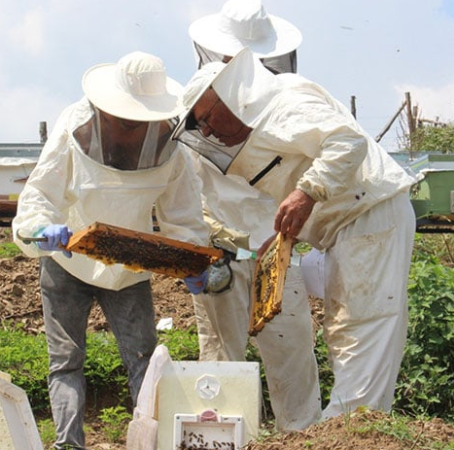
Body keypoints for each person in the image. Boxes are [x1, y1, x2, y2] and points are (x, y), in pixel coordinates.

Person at [175, 47, 417, 423]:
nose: (206, 131)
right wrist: (285, 238)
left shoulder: (284, 102)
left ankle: (351, 433)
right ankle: (347, 431)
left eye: (205, 118)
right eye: (198, 126)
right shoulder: (265, 117)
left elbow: (347, 142)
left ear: (227, 95)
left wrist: (306, 192)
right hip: (347, 228)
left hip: (370, 218)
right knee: (344, 332)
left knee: (363, 330)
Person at [11, 51, 210, 450]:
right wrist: (39, 229)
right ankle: (68, 444)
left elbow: (183, 215)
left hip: (129, 267)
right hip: (68, 262)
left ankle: (151, 443)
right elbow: (39, 195)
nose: (136, 130)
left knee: (143, 360)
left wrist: (193, 258)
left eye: (144, 123)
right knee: (65, 361)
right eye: (127, 121)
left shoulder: (172, 147)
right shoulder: (73, 126)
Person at [186, 0, 323, 431]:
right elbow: (186, 188)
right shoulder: (197, 100)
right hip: (220, 253)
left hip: (279, 250)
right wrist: (203, 244)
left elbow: (310, 173)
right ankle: (221, 437)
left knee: (292, 356)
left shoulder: (286, 99)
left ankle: (300, 438)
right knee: (220, 362)